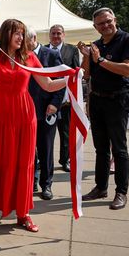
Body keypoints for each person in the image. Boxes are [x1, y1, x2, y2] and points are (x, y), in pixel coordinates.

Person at [0, 19, 67, 232]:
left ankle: (23, 212)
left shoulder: (29, 58)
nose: (21, 37)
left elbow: (47, 84)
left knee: (23, 163)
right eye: (16, 33)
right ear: (6, 35)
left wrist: (71, 77)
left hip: (23, 115)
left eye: (22, 33)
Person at [77, 7, 129, 210]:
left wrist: (101, 60)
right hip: (97, 100)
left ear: (115, 19)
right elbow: (86, 74)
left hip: (118, 100)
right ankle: (101, 187)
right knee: (100, 148)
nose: (105, 25)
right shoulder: (96, 45)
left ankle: (121, 192)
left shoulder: (127, 40)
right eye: (100, 23)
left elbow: (127, 69)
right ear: (95, 27)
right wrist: (86, 56)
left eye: (108, 21)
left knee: (119, 149)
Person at [27, 27, 64, 200]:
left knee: (45, 149)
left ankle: (46, 184)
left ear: (33, 38)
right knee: (28, 150)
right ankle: (32, 181)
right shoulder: (21, 56)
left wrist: (55, 104)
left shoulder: (50, 54)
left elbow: (59, 80)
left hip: (47, 110)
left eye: (24, 38)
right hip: (26, 111)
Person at [47, 24, 80, 174]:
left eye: (58, 33)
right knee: (46, 135)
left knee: (65, 133)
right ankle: (44, 160)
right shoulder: (43, 50)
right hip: (47, 99)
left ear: (63, 35)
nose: (55, 36)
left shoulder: (72, 50)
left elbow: (76, 73)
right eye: (53, 33)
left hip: (66, 100)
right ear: (49, 35)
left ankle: (64, 159)